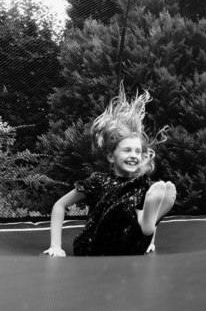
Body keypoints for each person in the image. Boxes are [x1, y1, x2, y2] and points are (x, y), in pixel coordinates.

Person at [43, 87, 177, 256]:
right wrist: (56, 245)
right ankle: (146, 227)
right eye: (127, 150)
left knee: (148, 213)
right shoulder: (97, 181)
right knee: (143, 211)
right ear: (110, 156)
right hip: (94, 247)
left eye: (137, 152)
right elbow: (60, 205)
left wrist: (149, 243)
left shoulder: (144, 184)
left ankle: (147, 230)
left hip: (130, 248)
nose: (134, 156)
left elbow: (153, 206)